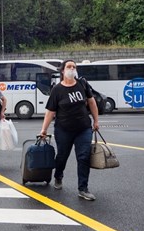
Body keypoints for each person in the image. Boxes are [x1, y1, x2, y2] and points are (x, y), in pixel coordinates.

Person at [39, 59, 99, 201]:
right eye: (69, 66)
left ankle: (83, 189)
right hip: (63, 130)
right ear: (63, 70)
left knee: (83, 157)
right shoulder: (57, 90)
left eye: (74, 67)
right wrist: (44, 130)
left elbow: (91, 102)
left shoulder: (82, 84)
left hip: (83, 128)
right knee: (62, 157)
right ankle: (58, 176)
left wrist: (96, 121)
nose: (72, 69)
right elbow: (50, 111)